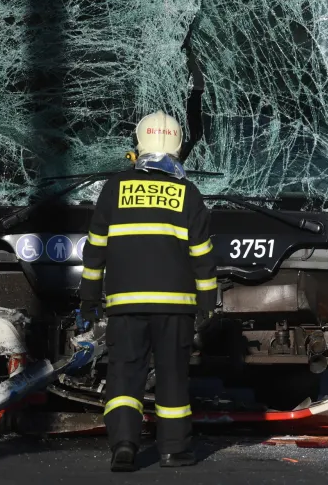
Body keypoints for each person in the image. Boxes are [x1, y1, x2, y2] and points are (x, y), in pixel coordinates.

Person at [76, 110, 217, 472]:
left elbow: (95, 249)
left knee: (125, 373)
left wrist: (89, 296)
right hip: (176, 307)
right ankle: (173, 451)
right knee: (172, 375)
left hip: (126, 304)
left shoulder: (115, 188)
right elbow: (202, 255)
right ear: (178, 149)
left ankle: (124, 444)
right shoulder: (188, 193)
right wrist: (207, 302)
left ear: (137, 148)